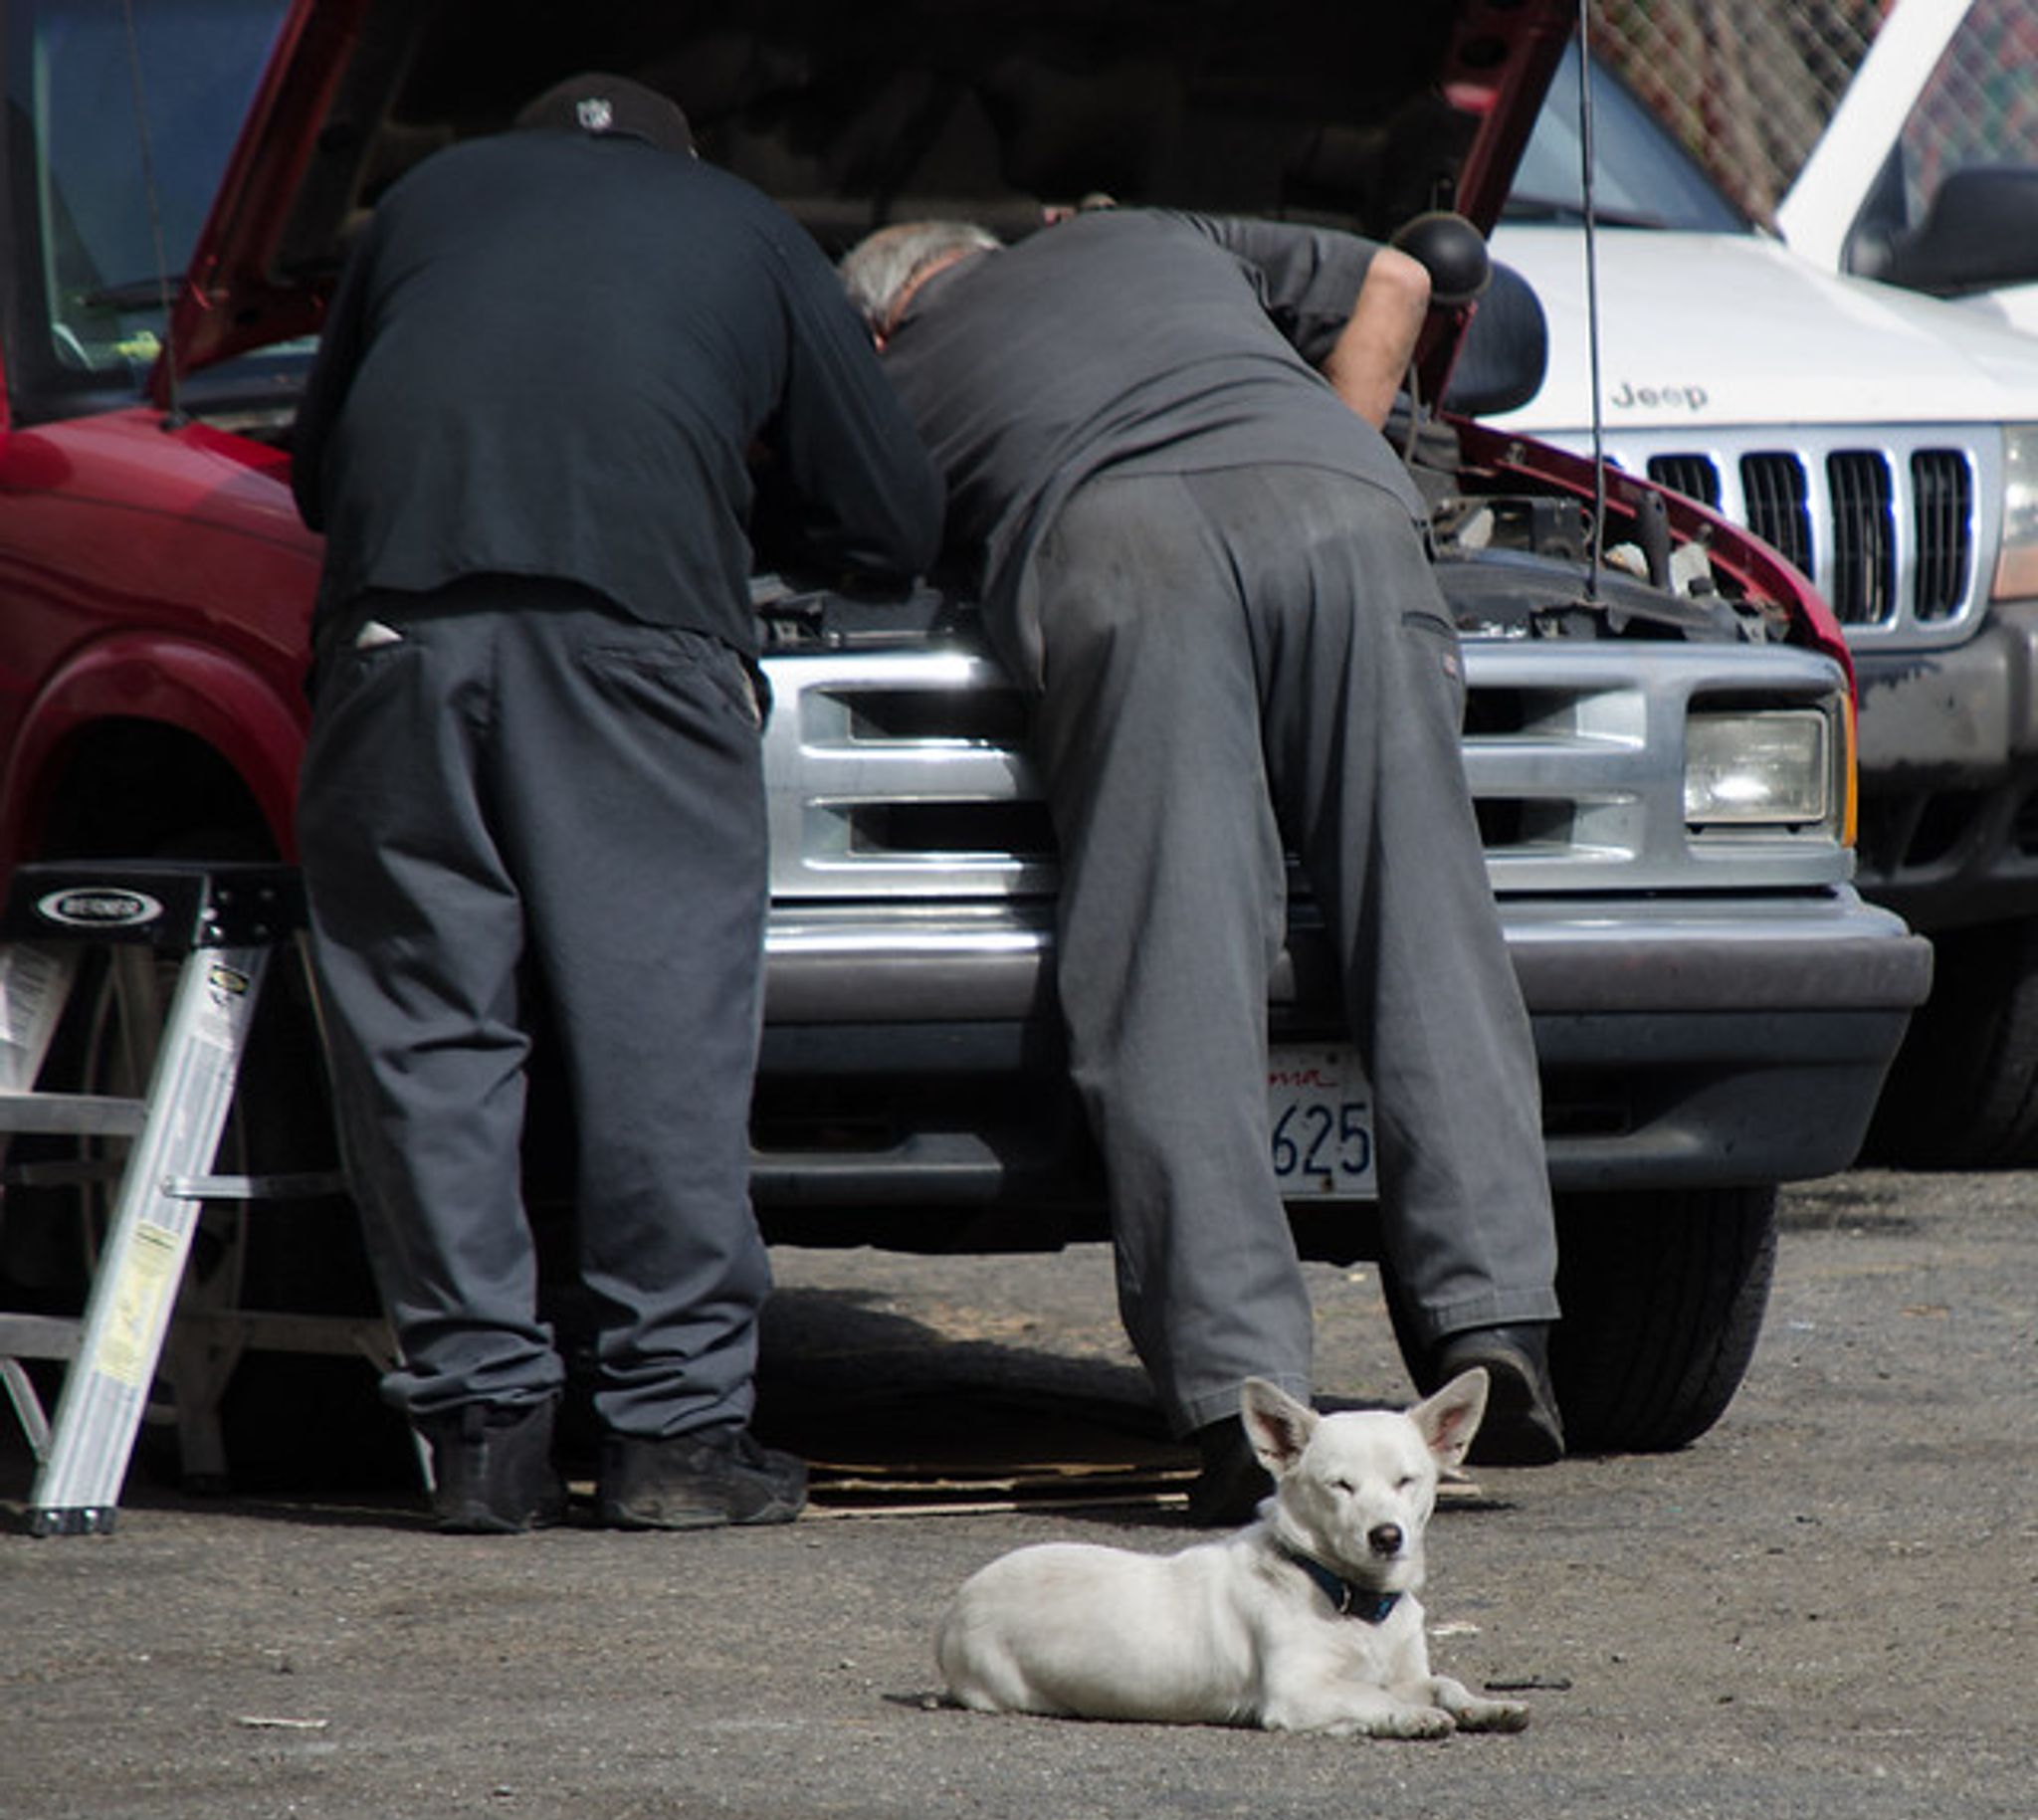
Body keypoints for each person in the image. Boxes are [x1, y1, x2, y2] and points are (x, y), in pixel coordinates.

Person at [838, 208, 1562, 1522]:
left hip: (1127, 545)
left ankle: (1245, 1392)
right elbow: (1399, 276)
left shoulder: (888, 372)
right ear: (989, 243)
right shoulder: (1156, 234)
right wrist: (1342, 448)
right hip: (1343, 503)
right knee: (1426, 912)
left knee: (1176, 952)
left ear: (887, 310)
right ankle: (1494, 1321)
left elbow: (856, 540)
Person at [291, 76, 942, 1533]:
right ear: (678, 162)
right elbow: (893, 518)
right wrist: (723, 500)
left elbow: (317, 476)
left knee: (428, 1032)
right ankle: (674, 1434)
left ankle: (481, 1436)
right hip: (635, 647)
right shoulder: (744, 224)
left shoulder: (421, 207)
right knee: (659, 1029)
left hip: (401, 638)